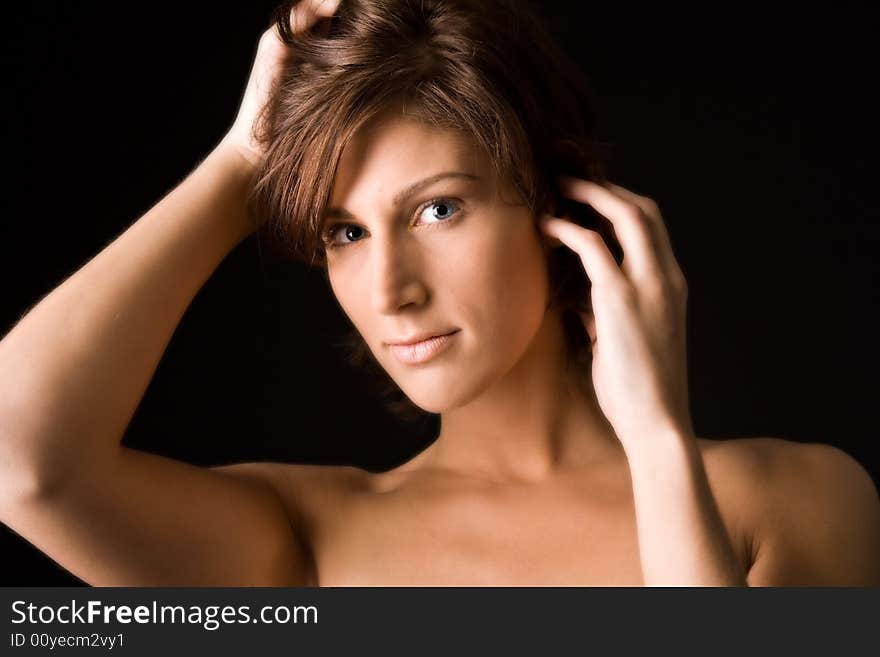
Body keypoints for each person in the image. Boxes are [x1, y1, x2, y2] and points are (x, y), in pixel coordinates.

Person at [1, 0, 878, 587]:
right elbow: (21, 465)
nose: (389, 289)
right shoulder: (304, 544)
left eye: (437, 207)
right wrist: (245, 159)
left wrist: (657, 442)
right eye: (344, 231)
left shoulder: (793, 500)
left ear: (556, 200)